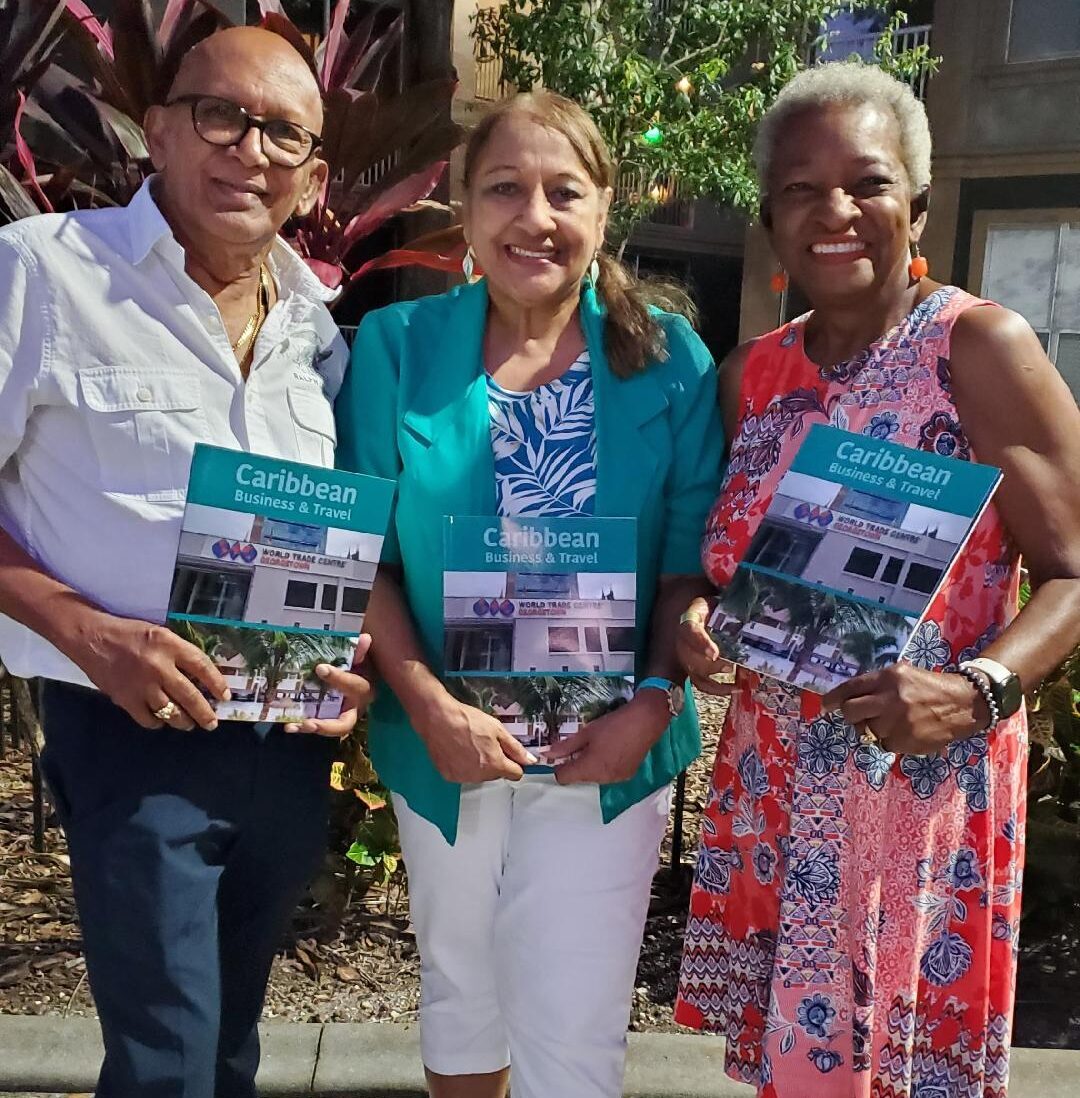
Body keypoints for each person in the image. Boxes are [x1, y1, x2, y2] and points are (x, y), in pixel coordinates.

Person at [673, 62, 1080, 1098]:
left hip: (918, 789)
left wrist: (979, 688)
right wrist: (698, 621)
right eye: (802, 190)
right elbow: (725, 569)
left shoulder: (975, 348)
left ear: (919, 202)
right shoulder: (748, 378)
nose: (835, 212)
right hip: (775, 792)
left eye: (867, 183)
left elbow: (1077, 569)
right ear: (768, 215)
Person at [0, 28, 374, 1098]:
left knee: (227, 1052)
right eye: (223, 115)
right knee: (166, 1065)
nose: (250, 149)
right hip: (131, 740)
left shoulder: (317, 332)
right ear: (159, 132)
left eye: (284, 133)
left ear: (313, 176)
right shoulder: (44, 275)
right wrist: (90, 634)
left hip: (284, 751)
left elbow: (315, 537)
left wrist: (342, 654)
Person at [336, 91, 724, 1098]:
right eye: (505, 188)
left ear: (604, 208)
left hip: (609, 749)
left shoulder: (669, 359)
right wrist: (427, 704)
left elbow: (686, 561)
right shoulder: (396, 351)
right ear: (465, 209)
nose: (535, 216)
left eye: (565, 190)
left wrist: (654, 700)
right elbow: (365, 558)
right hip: (446, 739)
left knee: (575, 1021)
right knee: (461, 988)